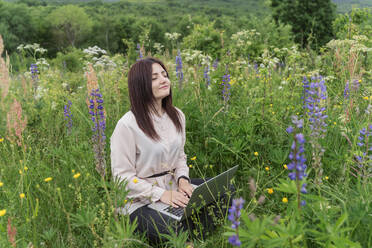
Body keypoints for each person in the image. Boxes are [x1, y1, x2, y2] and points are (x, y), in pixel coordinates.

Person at [110, 57, 232, 245]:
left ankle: (189, 233)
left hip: (174, 188)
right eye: (154, 78)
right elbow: (122, 177)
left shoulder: (177, 115)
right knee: (172, 228)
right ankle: (182, 232)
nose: (164, 80)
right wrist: (162, 195)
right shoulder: (127, 125)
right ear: (140, 85)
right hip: (140, 201)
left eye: (165, 75)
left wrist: (183, 180)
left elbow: (180, 158)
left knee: (226, 189)